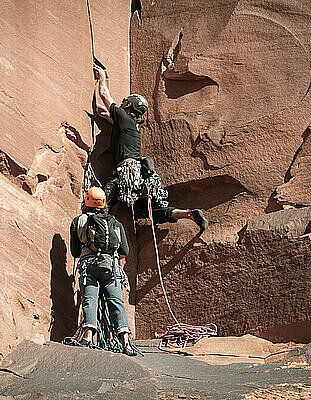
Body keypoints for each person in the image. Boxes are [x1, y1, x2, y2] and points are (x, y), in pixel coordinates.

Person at [93, 65, 209, 232]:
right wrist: (103, 114)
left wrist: (102, 78)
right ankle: (188, 214)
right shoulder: (132, 125)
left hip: (126, 173)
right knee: (153, 210)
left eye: (125, 102)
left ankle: (100, 238)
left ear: (128, 106)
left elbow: (104, 95)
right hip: (143, 175)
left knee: (103, 202)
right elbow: (108, 116)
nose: (122, 103)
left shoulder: (124, 118)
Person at [69, 186, 137, 356]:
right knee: (116, 302)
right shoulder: (115, 223)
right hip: (111, 267)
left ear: (86, 201)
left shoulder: (79, 221)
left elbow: (75, 252)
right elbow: (125, 251)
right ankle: (125, 342)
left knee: (90, 299)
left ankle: (88, 338)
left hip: (89, 265)